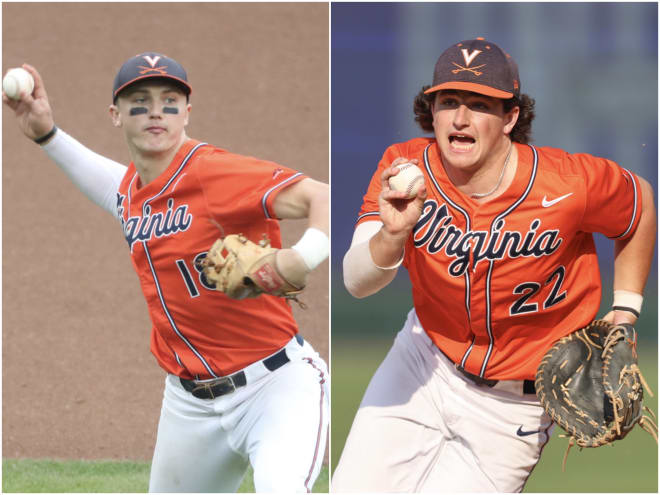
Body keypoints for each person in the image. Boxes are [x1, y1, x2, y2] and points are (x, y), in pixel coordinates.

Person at [332, 37, 656, 492]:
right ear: (431, 111)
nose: (461, 118)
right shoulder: (405, 168)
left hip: (514, 407)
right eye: (448, 101)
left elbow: (639, 204)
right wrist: (392, 235)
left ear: (511, 118)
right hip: (423, 363)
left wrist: (626, 309)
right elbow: (356, 282)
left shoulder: (567, 184)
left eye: (480, 104)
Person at [3, 52, 329, 493]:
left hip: (275, 387)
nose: (155, 110)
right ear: (116, 116)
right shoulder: (136, 192)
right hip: (188, 404)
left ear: (187, 112)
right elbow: (111, 189)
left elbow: (323, 197)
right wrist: (47, 135)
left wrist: (300, 257)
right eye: (140, 101)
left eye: (169, 100)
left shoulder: (213, 171)